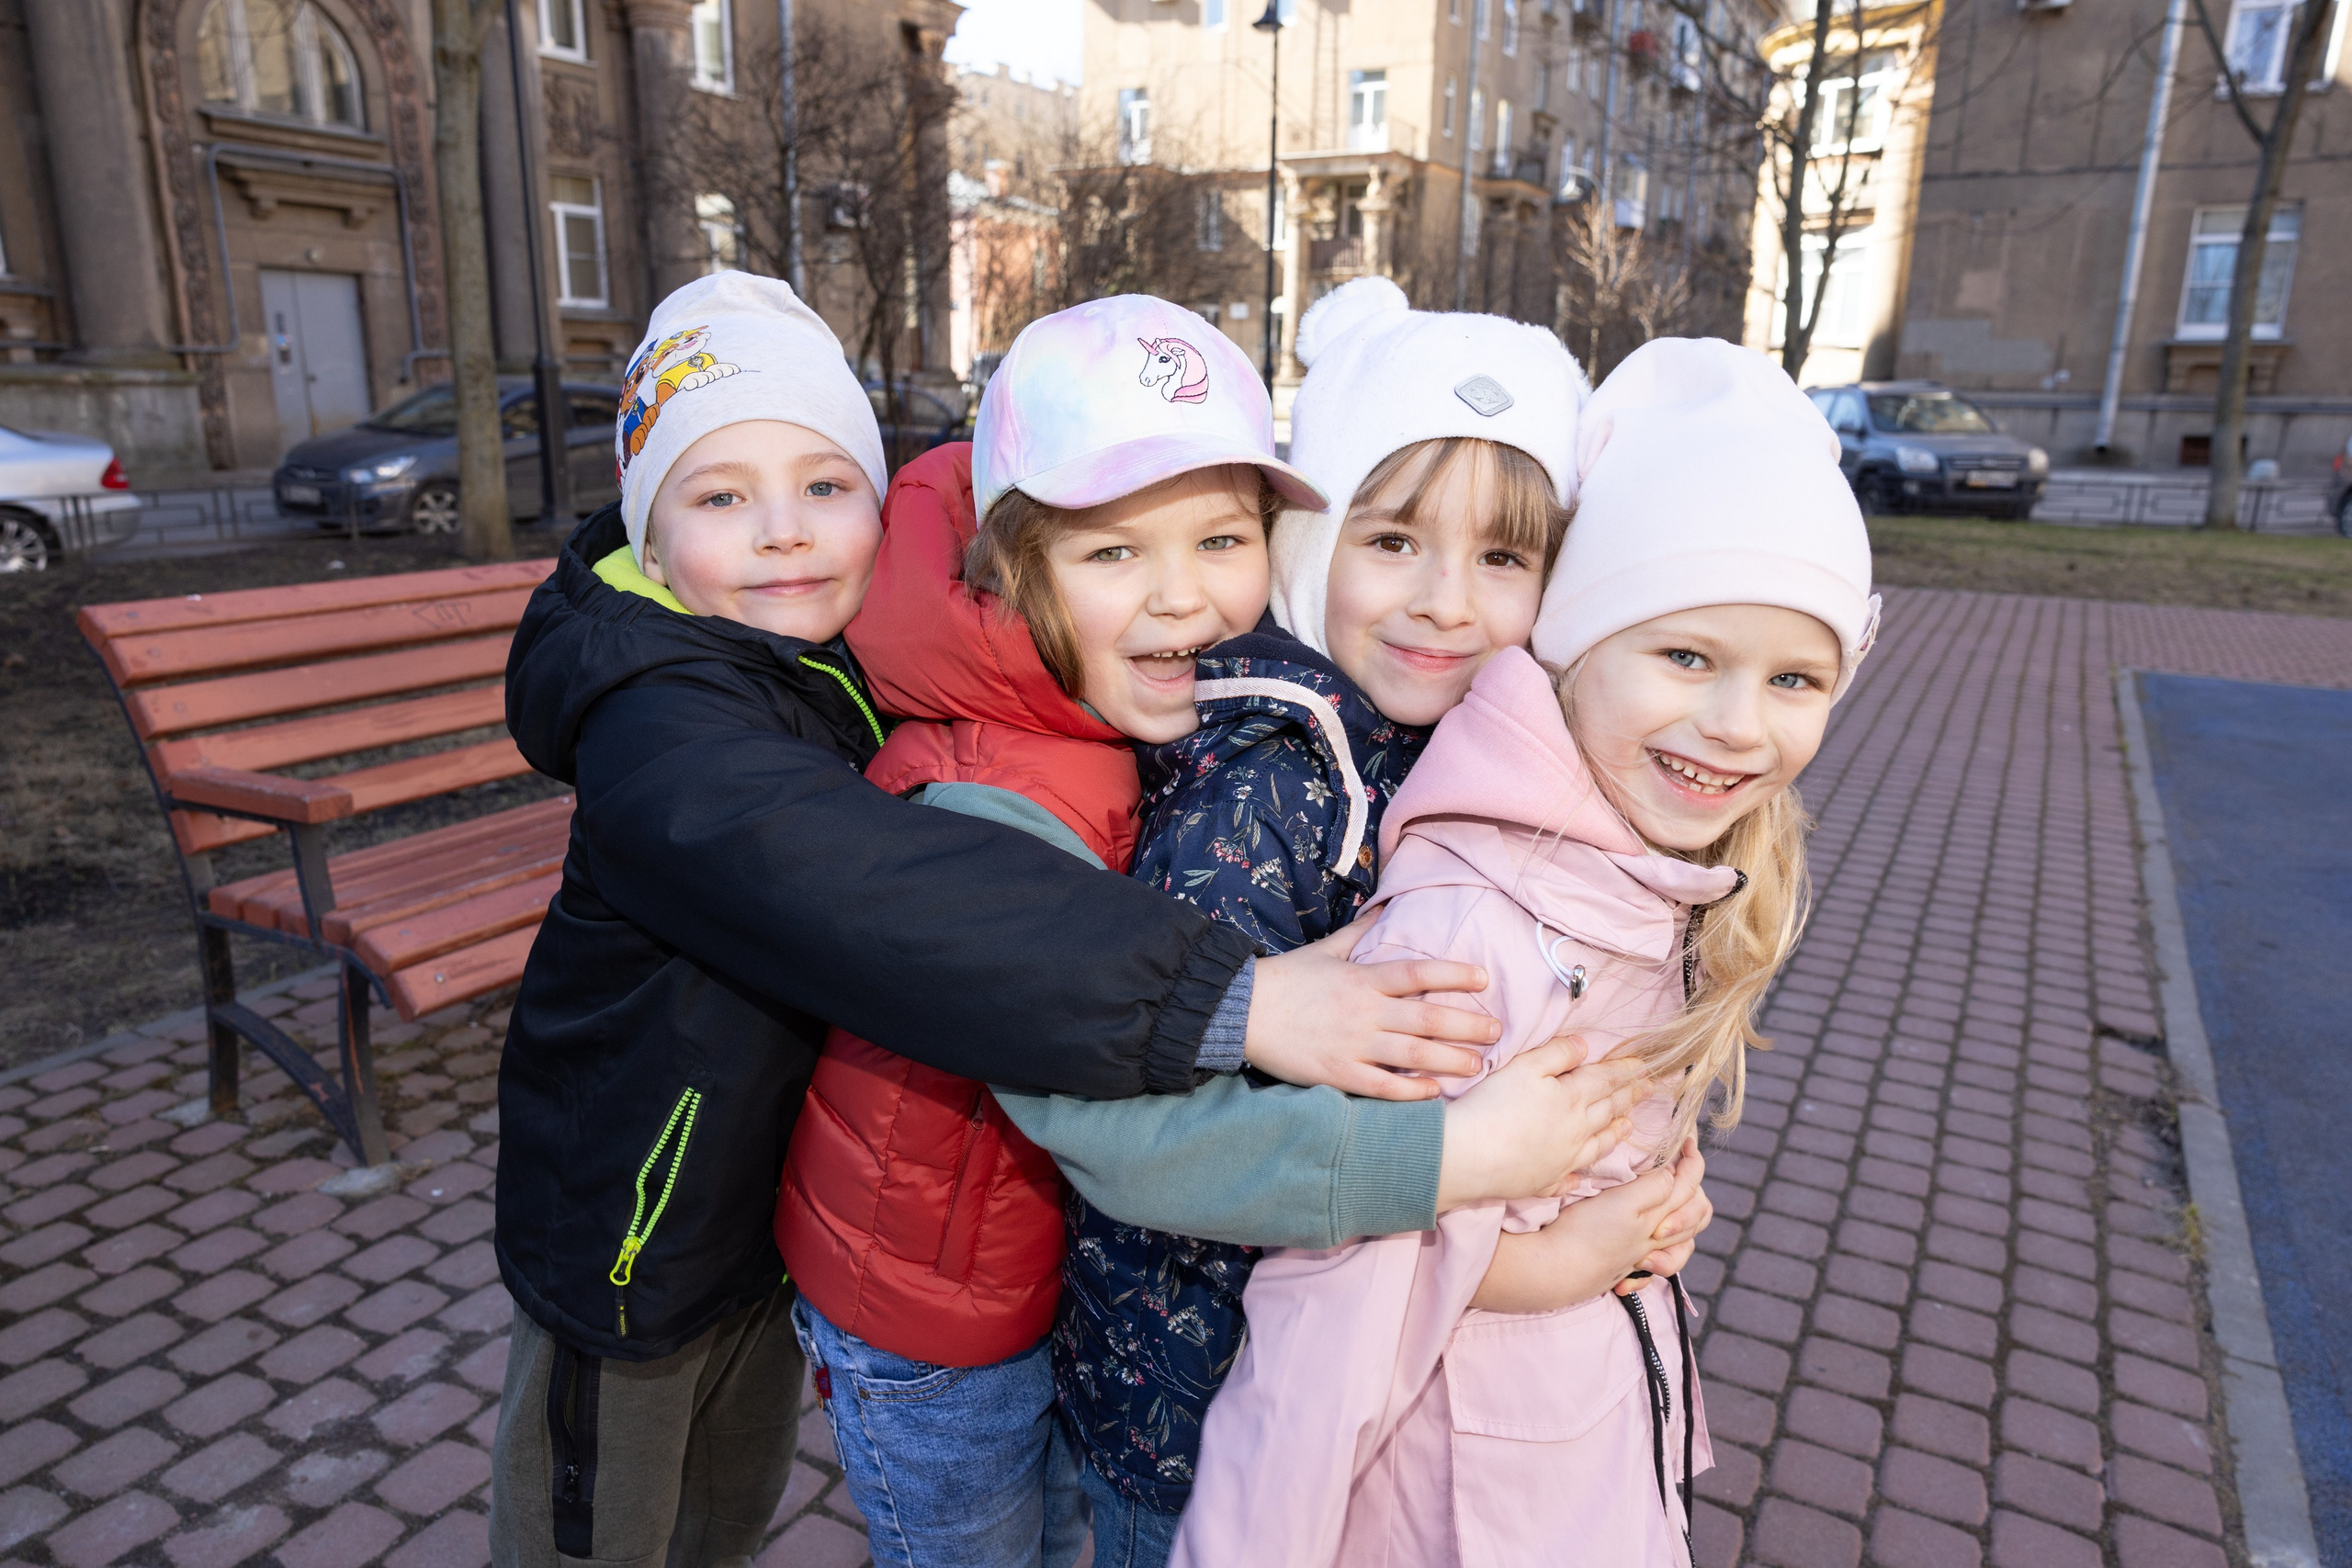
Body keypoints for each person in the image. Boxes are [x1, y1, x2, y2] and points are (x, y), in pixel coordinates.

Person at [485, 274, 1512, 1568]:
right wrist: (1246, 1005)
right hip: (647, 1233)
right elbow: (901, 906)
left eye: (825, 484)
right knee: (604, 1531)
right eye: (719, 497)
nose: (785, 534)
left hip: (828, 1223)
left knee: (727, 1512)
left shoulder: (878, 661)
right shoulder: (669, 727)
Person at [775, 296, 1646, 1568]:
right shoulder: (1011, 799)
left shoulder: (1174, 712)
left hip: (1067, 1289)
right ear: (1019, 567)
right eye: (1112, 552)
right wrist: (1453, 1160)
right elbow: (1128, 1135)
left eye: (1223, 538)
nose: (1183, 596)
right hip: (936, 1311)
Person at [1169, 335, 1883, 1568]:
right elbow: (1331, 1307)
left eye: (1795, 679)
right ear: (1576, 645)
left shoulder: (1646, 864)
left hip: (1571, 1456)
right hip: (1454, 1495)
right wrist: (1555, 1262)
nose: (1735, 723)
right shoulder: (1476, 928)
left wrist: (1647, 1201)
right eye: (1687, 656)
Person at [1034, 279, 1709, 1567]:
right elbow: (1191, 1162)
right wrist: (1534, 1263)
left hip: (1349, 1399)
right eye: (1393, 540)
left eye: (1503, 559)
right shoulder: (1270, 791)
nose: (1447, 602)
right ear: (1311, 545)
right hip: (1203, 1418)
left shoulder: (1476, 753)